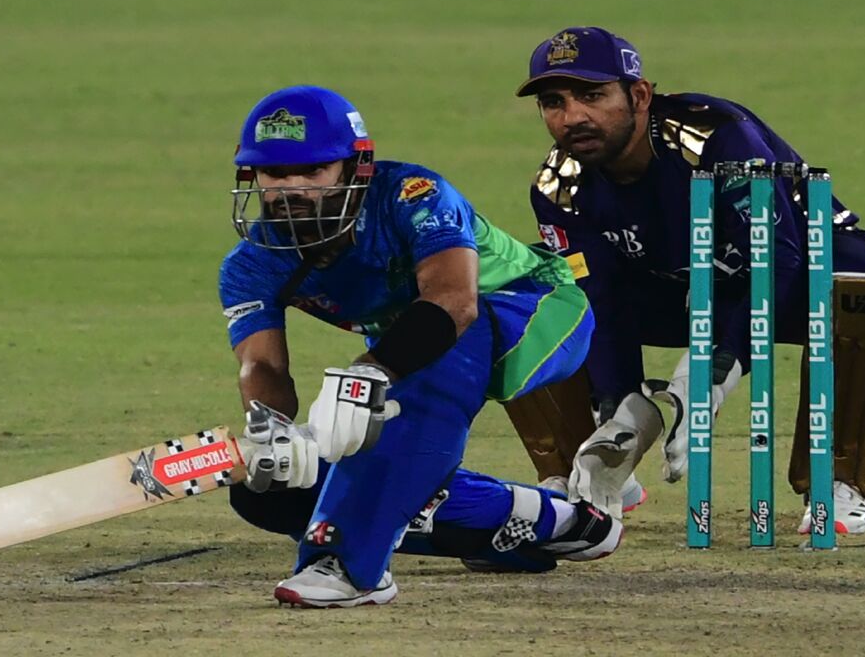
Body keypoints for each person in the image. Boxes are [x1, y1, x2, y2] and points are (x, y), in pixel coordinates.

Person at [218, 85, 622, 608]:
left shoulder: (413, 194)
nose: (292, 188)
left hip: (536, 310)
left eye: (313, 171)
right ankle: (542, 520)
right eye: (275, 174)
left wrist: (368, 374)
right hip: (412, 346)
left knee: (407, 382)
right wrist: (269, 429)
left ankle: (352, 566)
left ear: (356, 167)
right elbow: (261, 363)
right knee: (272, 492)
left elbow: (454, 303)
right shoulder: (250, 264)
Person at [513, 26, 865, 536]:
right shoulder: (559, 186)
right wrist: (621, 411)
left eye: (593, 96)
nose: (572, 117)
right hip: (675, 288)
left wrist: (714, 370)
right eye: (554, 102)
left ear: (639, 94)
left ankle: (837, 483)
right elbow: (597, 296)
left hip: (793, 273)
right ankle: (584, 474)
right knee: (525, 299)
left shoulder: (716, 138)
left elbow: (778, 258)